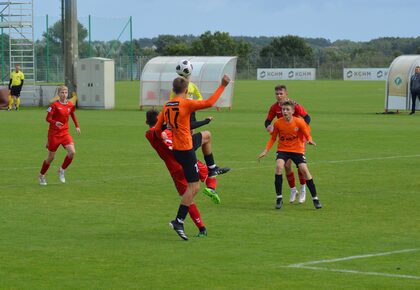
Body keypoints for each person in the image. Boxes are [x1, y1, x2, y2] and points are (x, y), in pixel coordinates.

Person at [155, 75, 231, 240]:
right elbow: (209, 103)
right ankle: (178, 220)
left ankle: (212, 169)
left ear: (173, 89)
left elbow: (157, 128)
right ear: (187, 90)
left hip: (176, 150)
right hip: (186, 149)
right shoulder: (186, 103)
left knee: (205, 139)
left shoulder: (167, 105)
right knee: (194, 187)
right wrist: (223, 86)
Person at [145, 109, 220, 237]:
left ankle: (202, 229)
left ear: (147, 122)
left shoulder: (149, 133)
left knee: (188, 198)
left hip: (174, 169)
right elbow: (167, 138)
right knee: (210, 170)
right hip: (187, 161)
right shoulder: (159, 132)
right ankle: (211, 187)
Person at [258, 99, 322, 210]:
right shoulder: (278, 123)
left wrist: (310, 140)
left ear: (292, 111)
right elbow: (273, 138)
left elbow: (307, 134)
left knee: (304, 170)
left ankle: (315, 198)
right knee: (279, 167)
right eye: (283, 109)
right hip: (283, 149)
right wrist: (265, 150)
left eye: (287, 109)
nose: (285, 111)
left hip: (297, 150)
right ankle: (279, 198)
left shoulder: (299, 122)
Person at [264, 85, 311, 203]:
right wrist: (268, 127)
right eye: (277, 94)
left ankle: (303, 188)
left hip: (298, 140)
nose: (279, 96)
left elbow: (307, 118)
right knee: (286, 165)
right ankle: (293, 189)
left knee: (300, 166)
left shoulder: (294, 105)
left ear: (286, 94)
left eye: (281, 93)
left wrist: (304, 132)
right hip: (285, 141)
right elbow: (268, 121)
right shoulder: (274, 107)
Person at [38, 85, 80, 185]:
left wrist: (77, 126)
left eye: (66, 92)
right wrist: (55, 122)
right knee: (51, 158)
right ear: (59, 93)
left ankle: (61, 170)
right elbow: (47, 118)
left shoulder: (70, 104)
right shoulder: (54, 105)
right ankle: (41, 175)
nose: (64, 94)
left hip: (65, 133)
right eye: (62, 92)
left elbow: (72, 114)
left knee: (72, 152)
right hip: (54, 134)